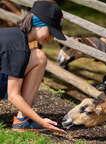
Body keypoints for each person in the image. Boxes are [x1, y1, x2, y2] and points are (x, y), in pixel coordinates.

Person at [0, 0, 66, 133]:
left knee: (39, 57)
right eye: (51, 31)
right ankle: (23, 122)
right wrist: (42, 122)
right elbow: (13, 96)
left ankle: (22, 120)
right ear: (39, 25)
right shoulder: (19, 48)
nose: (52, 37)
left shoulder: (11, 35)